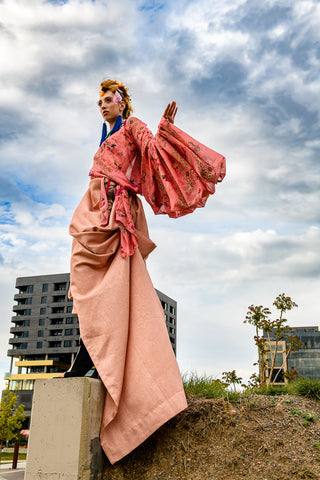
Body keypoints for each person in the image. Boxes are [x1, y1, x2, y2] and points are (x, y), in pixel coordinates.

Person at [65, 79, 226, 464]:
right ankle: (88, 360)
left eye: (109, 100)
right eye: (99, 101)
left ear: (123, 102)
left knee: (114, 292)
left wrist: (165, 130)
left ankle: (89, 365)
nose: (102, 105)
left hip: (117, 215)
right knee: (86, 284)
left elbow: (153, 153)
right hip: (95, 212)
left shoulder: (133, 127)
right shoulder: (105, 136)